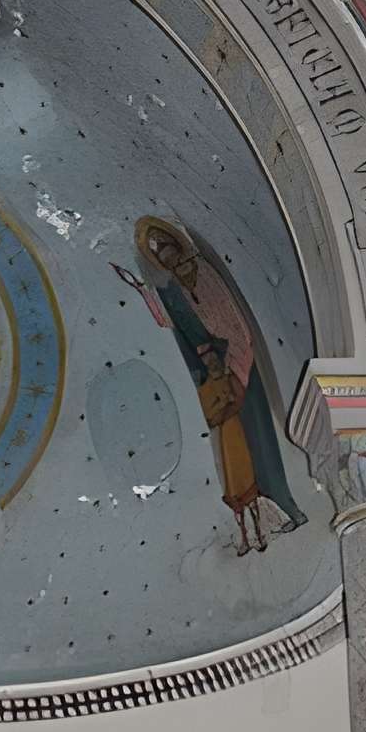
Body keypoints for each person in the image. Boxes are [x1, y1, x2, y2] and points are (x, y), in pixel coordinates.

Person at [134, 216, 307, 535]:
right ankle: (266, 507)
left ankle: (283, 501)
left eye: (165, 245)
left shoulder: (204, 273)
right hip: (215, 371)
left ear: (177, 244)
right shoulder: (172, 289)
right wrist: (148, 296)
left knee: (259, 432)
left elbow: (229, 317)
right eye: (158, 251)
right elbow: (173, 324)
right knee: (236, 443)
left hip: (237, 359)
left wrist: (227, 355)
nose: (164, 253)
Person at [196, 337, 266, 554]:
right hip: (222, 440)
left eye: (215, 360)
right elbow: (210, 418)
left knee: (246, 479)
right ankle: (244, 537)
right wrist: (224, 409)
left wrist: (225, 409)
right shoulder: (205, 390)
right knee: (231, 483)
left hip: (237, 434)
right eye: (209, 363)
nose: (213, 365)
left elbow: (238, 399)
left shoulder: (228, 379)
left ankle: (260, 531)